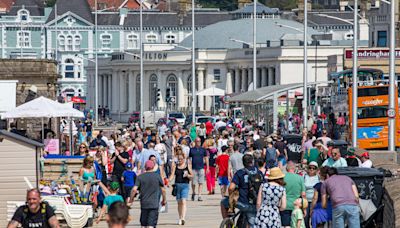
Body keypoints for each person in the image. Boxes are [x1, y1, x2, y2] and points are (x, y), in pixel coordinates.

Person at [129, 160, 167, 228]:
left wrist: (131, 200)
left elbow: (134, 189)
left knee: (143, 224)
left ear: (145, 167)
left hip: (144, 204)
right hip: (154, 203)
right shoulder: (157, 176)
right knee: (151, 224)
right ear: (153, 167)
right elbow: (163, 190)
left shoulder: (140, 177)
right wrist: (164, 200)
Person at [228, 154, 263, 227]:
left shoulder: (240, 172)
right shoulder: (259, 173)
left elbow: (231, 188)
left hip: (243, 202)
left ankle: (229, 221)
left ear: (243, 162)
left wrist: (231, 196)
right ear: (252, 161)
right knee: (253, 223)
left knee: (223, 202)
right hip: (256, 203)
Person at [168, 154, 193, 225]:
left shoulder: (187, 166)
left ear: (184, 159)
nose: (179, 160)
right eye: (178, 159)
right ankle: (180, 217)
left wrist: (188, 175)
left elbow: (192, 176)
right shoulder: (175, 166)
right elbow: (172, 175)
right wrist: (168, 180)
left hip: (185, 185)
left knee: (183, 201)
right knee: (179, 203)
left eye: (181, 159)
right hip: (177, 185)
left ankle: (183, 218)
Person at [282, 161, 306, 228]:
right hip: (297, 206)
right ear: (294, 168)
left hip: (285, 205)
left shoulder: (283, 178)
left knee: (286, 225)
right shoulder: (300, 178)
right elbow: (303, 194)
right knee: (296, 224)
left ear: (287, 169)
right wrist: (304, 209)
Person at [303, 162, 320, 228]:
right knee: (306, 218)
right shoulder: (304, 176)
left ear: (316, 169)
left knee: (314, 218)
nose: (312, 169)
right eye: (310, 168)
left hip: (315, 201)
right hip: (306, 200)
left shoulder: (318, 177)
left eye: (314, 168)